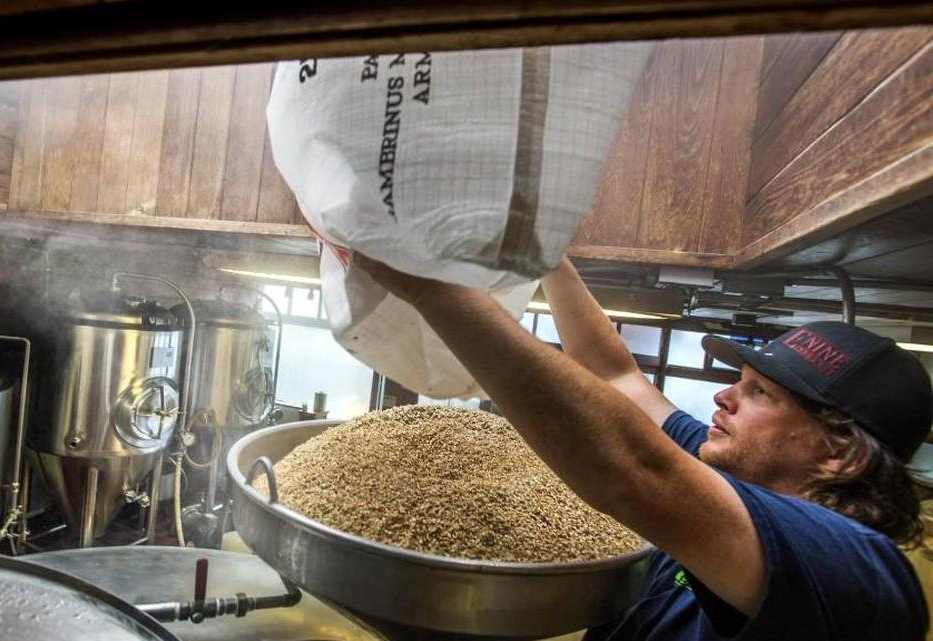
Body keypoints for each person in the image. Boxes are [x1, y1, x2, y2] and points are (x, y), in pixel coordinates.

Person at [354, 253, 932, 641]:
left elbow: (631, 469)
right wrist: (544, 251)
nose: (725, 397)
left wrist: (434, 292)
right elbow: (615, 376)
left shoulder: (860, 578)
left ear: (840, 454)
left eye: (761, 394)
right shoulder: (728, 480)